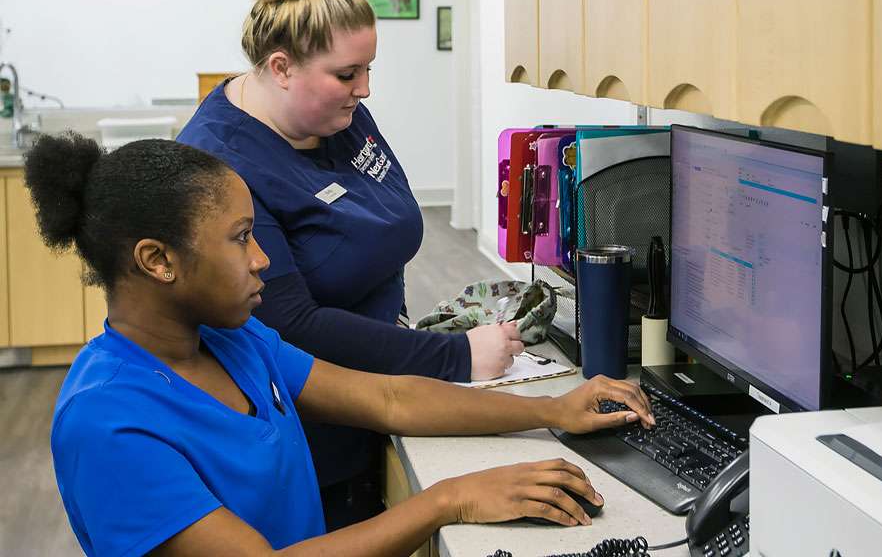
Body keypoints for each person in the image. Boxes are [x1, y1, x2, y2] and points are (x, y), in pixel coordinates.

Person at [28, 132, 654, 556]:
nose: (262, 258)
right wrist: (451, 500)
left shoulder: (232, 342)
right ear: (157, 260)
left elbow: (387, 400)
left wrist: (550, 411)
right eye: (241, 238)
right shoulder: (108, 424)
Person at [176, 0, 520, 528]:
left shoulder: (337, 116)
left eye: (368, 69)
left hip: (384, 388)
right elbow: (291, 324)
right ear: (281, 67)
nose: (365, 89)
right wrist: (457, 357)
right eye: (347, 74)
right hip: (308, 433)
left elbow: (383, 227)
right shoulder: (221, 164)